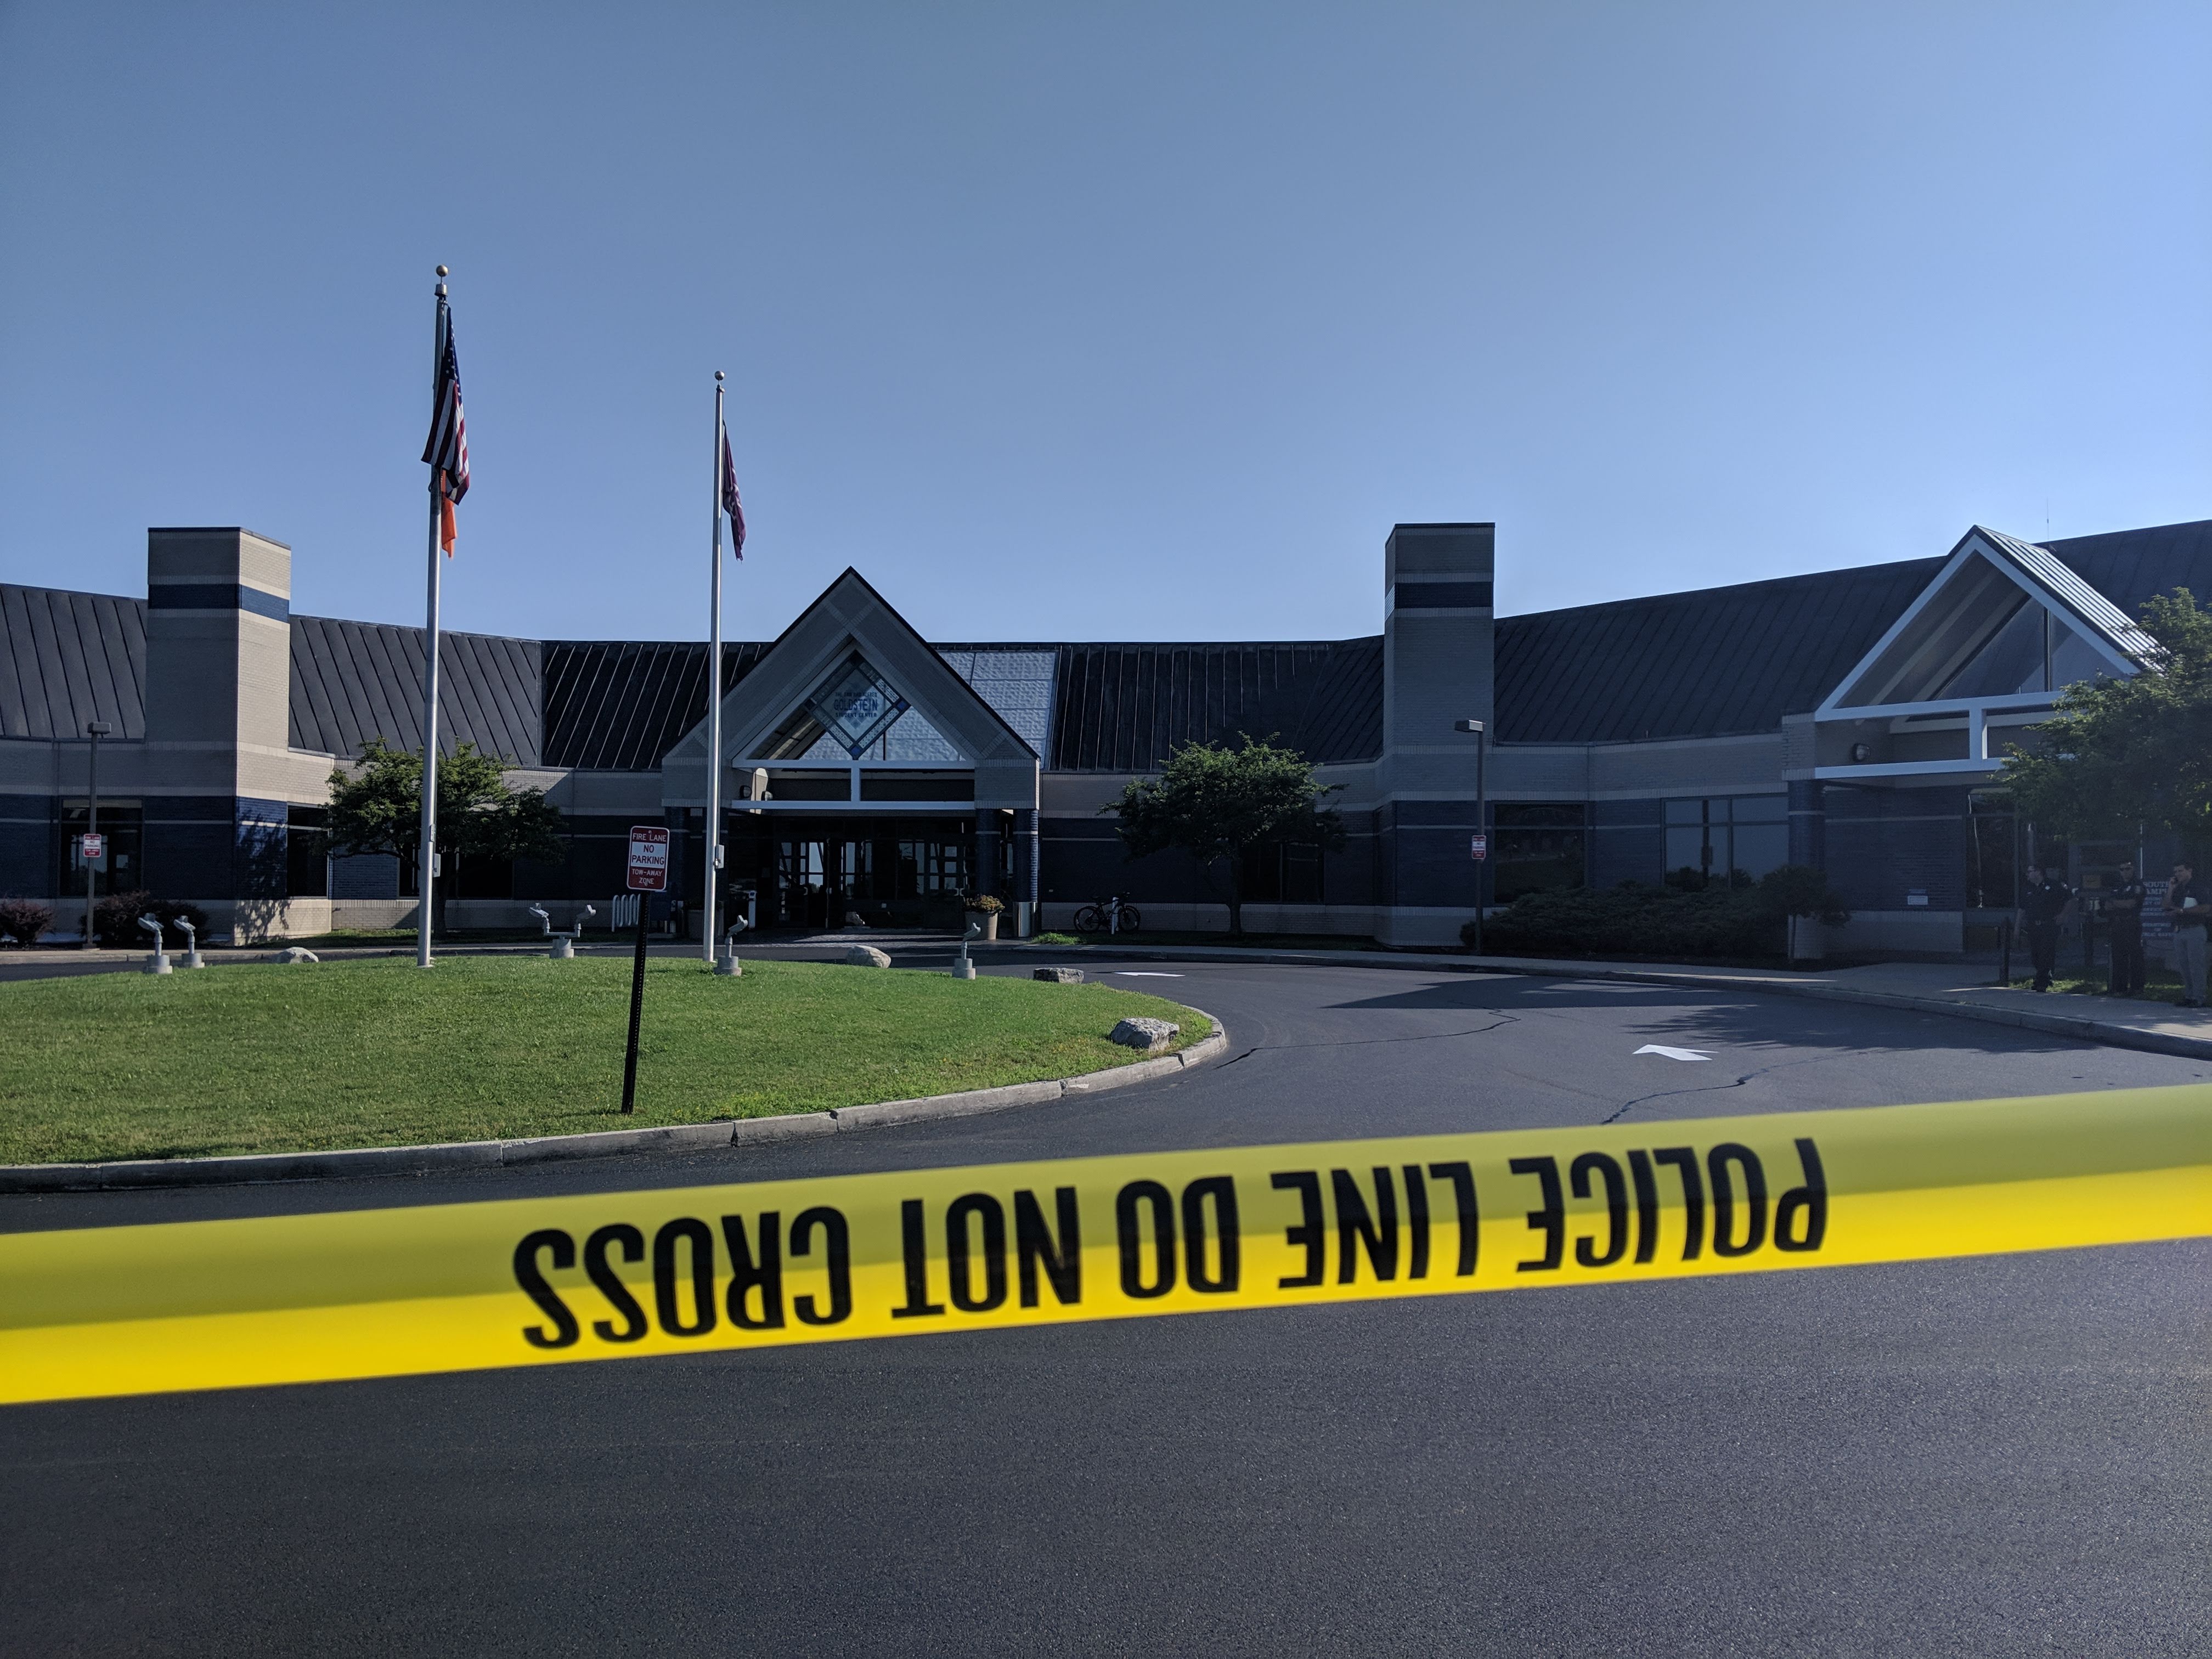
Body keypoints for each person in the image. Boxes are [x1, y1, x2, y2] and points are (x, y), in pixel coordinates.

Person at [2019, 862, 2073, 992]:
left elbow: (2070, 900)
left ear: (2039, 872)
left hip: (2049, 925)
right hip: (2033, 926)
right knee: (2035, 955)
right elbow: (2022, 909)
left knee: (2046, 953)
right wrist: (2017, 928)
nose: (2028, 874)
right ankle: (2046, 975)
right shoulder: (2027, 888)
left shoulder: (2054, 885)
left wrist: (2063, 915)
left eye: (2030, 871)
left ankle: (2041, 983)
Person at [2165, 860, 2210, 1007]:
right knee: (2183, 965)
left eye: (2181, 871)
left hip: (2195, 929)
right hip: (2180, 930)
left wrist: (2183, 911)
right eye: (2176, 872)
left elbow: (2205, 908)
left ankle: (2199, 997)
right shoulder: (2177, 888)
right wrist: (2170, 889)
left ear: (2189, 871)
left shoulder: (2198, 887)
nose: (2178, 874)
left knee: (2196, 965)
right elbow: (2165, 906)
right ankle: (2189, 995)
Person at [2104, 860, 2147, 996]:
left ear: (2133, 869)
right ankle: (2119, 988)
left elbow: (2131, 904)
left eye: (2128, 869)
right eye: (2122, 869)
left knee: (2135, 957)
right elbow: (2107, 905)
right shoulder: (2117, 885)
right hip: (2117, 924)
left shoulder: (2138, 885)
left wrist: (2116, 903)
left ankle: (2137, 988)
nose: (2125, 872)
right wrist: (2118, 904)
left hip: (2132, 924)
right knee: (2118, 957)